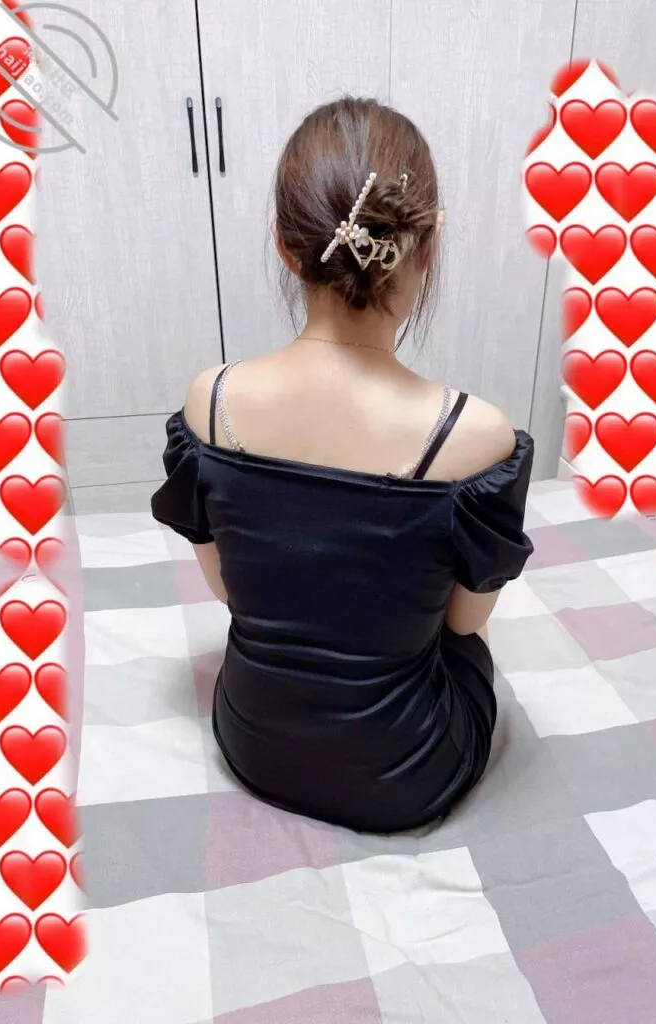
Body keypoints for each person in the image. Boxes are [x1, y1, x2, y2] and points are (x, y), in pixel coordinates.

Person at [151, 96, 534, 834]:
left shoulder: (211, 402)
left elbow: (229, 590)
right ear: (428, 246)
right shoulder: (475, 435)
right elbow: (463, 624)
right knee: (465, 640)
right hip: (407, 778)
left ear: (284, 246)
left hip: (252, 742)